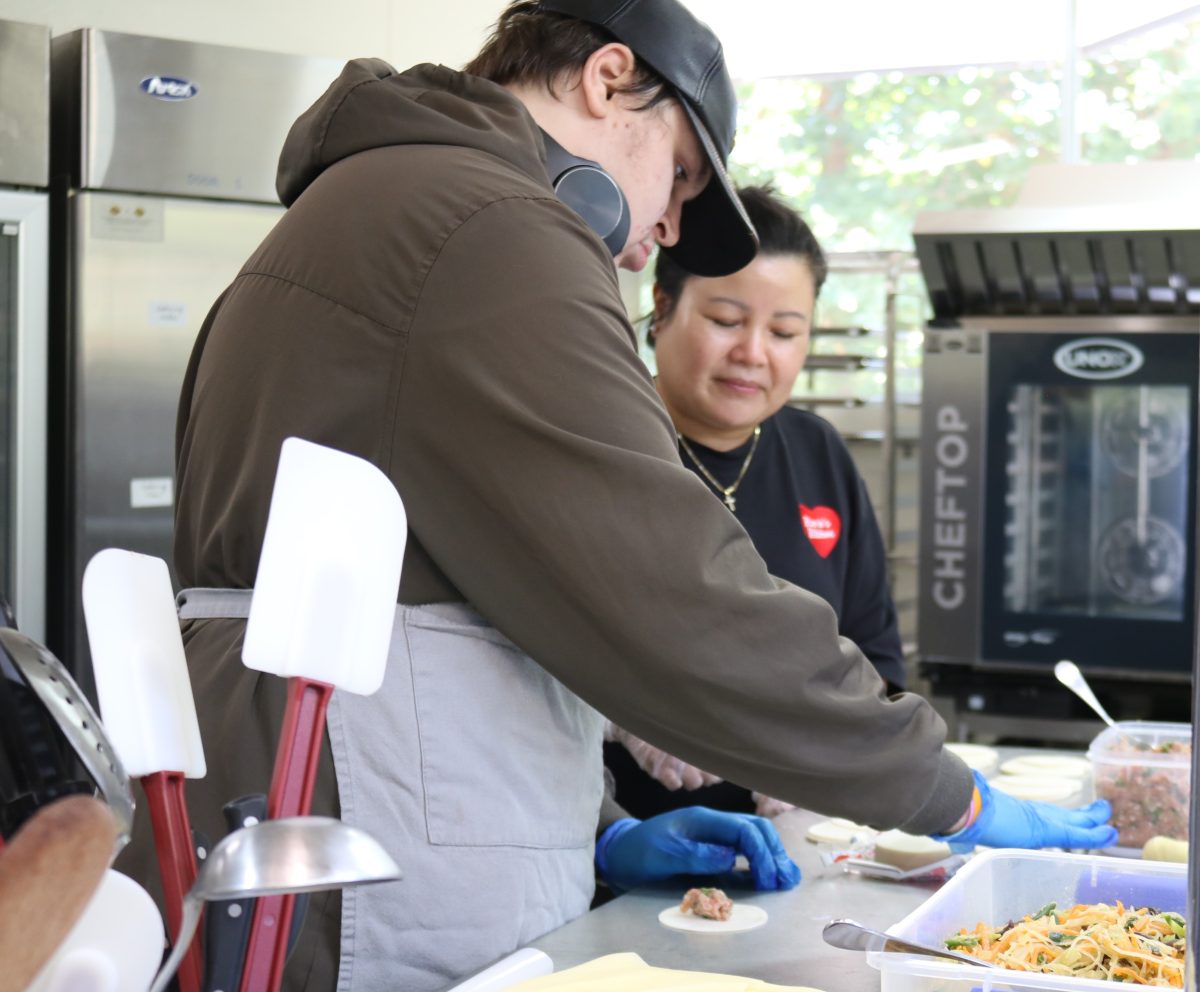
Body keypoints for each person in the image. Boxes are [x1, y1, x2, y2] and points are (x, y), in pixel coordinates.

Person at [122, 1, 1116, 990]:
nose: (661, 232)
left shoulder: (365, 207)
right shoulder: (494, 222)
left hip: (297, 814)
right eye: (678, 175)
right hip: (362, 859)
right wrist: (948, 789)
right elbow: (677, 591)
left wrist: (603, 829)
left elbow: (442, 595)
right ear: (606, 79)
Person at [605, 185, 906, 820]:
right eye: (725, 320)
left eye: (785, 331)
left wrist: (825, 749)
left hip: (800, 839)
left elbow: (875, 655)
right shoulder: (604, 442)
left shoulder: (817, 452)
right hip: (614, 841)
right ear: (662, 308)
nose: (753, 352)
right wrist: (620, 717)